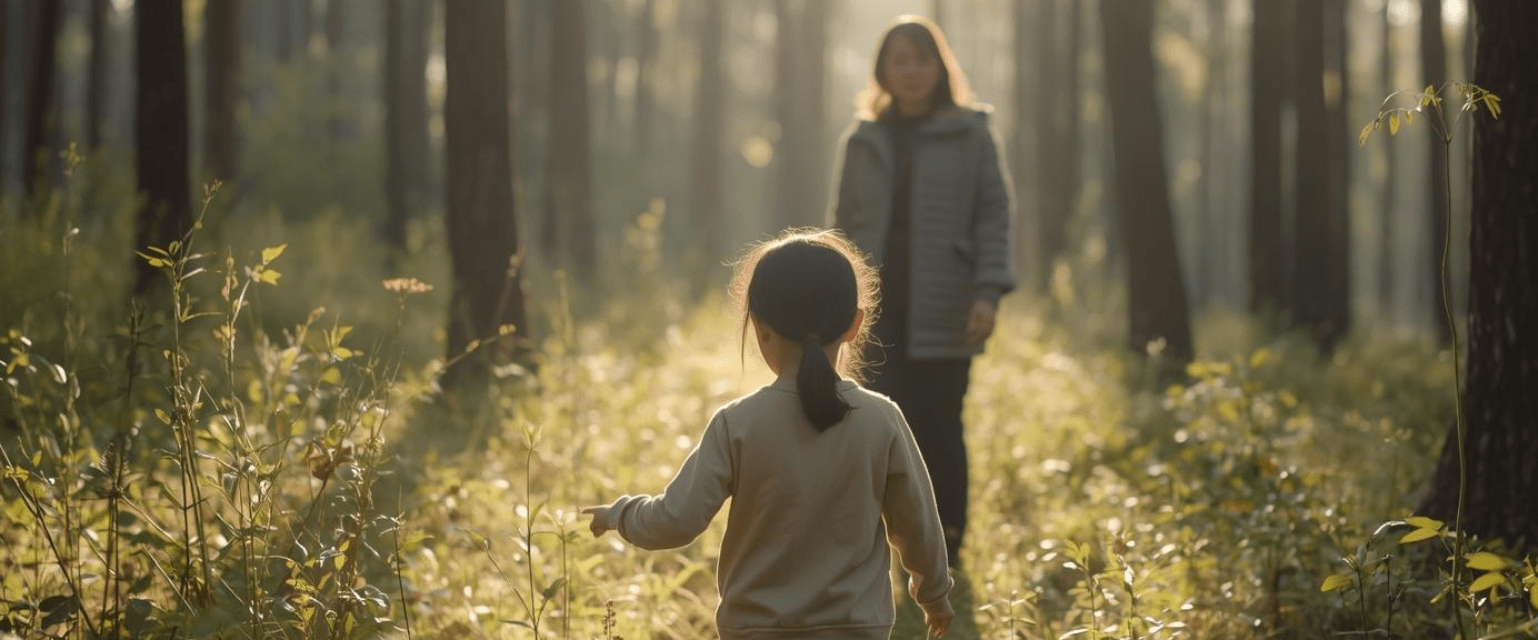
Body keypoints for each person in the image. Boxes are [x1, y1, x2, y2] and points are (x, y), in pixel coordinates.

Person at [583, 229, 954, 640]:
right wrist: (933, 595)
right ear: (854, 325)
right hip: (856, 628)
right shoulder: (881, 419)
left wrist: (620, 515)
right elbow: (917, 523)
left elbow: (676, 520)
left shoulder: (737, 424)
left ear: (760, 329)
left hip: (755, 629)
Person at [829, 15, 1016, 569]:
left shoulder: (972, 133)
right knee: (875, 431)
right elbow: (838, 227)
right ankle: (883, 553)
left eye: (921, 60)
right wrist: (834, 302)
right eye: (899, 60)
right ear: (882, 69)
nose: (910, 72)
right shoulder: (861, 140)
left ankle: (947, 551)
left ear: (941, 67)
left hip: (946, 309)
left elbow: (994, 215)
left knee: (940, 428)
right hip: (873, 314)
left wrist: (987, 292)